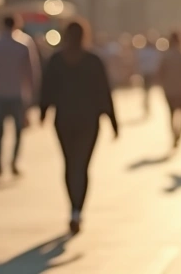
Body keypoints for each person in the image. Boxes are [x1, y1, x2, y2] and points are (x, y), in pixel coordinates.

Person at [39, 20, 118, 235]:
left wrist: (43, 111)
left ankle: (72, 205)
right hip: (88, 121)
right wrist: (113, 121)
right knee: (82, 165)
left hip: (64, 119)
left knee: (68, 163)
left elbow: (47, 87)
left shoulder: (56, 60)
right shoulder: (93, 60)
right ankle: (77, 210)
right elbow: (104, 91)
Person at [0, 15, 39, 177]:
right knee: (18, 131)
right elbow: (31, 72)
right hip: (17, 94)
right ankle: (13, 161)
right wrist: (32, 95)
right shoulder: (24, 43)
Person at [159, 32, 181, 149]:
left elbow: (160, 72)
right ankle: (179, 133)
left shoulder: (165, 56)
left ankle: (174, 134)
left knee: (171, 114)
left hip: (169, 89)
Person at [137, 32, 162, 116]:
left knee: (147, 90)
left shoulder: (142, 52)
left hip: (146, 72)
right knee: (148, 90)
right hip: (150, 72)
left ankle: (147, 103)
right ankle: (147, 104)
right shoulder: (153, 52)